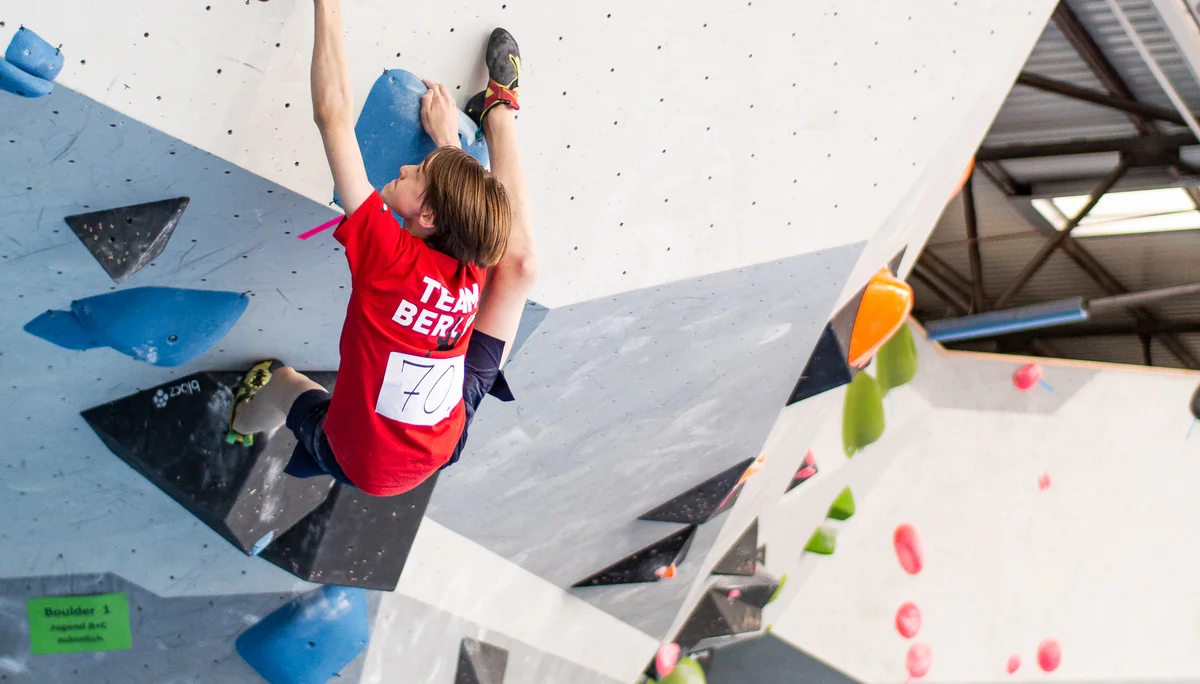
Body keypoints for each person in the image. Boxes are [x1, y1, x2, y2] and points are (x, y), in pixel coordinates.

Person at [224, 0, 537, 497]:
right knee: (520, 269)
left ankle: (246, 414)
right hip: (441, 433)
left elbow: (333, 117)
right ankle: (498, 109)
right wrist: (447, 142)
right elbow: (469, 219)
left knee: (284, 385)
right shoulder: (471, 263)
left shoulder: (387, 257)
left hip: (362, 462)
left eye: (421, 172)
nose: (409, 168)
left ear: (430, 217)